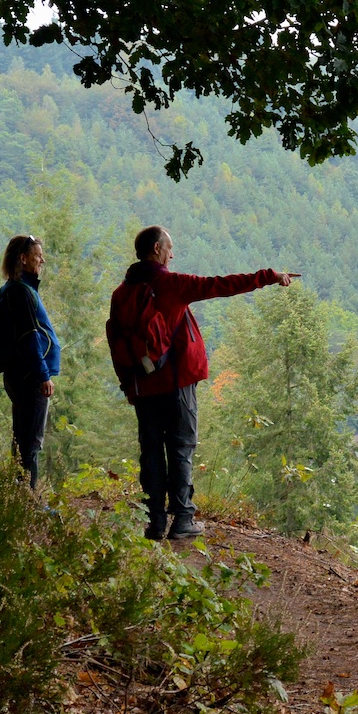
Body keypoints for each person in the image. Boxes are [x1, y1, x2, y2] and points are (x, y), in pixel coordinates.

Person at [111, 225, 298, 540]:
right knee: (181, 447)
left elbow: (116, 342)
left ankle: (155, 523)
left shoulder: (121, 293)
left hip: (141, 386)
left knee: (152, 451)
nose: (173, 254)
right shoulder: (171, 284)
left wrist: (127, 385)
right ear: (157, 249)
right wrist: (269, 276)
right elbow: (221, 285)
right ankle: (183, 518)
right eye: (170, 248)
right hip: (176, 382)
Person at [0, 234, 61, 491]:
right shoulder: (21, 292)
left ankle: (18, 494)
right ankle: (27, 501)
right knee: (30, 443)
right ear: (23, 259)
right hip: (30, 378)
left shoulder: (11, 290)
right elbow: (29, 337)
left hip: (18, 375)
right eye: (38, 256)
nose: (42, 260)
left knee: (21, 438)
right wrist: (43, 375)